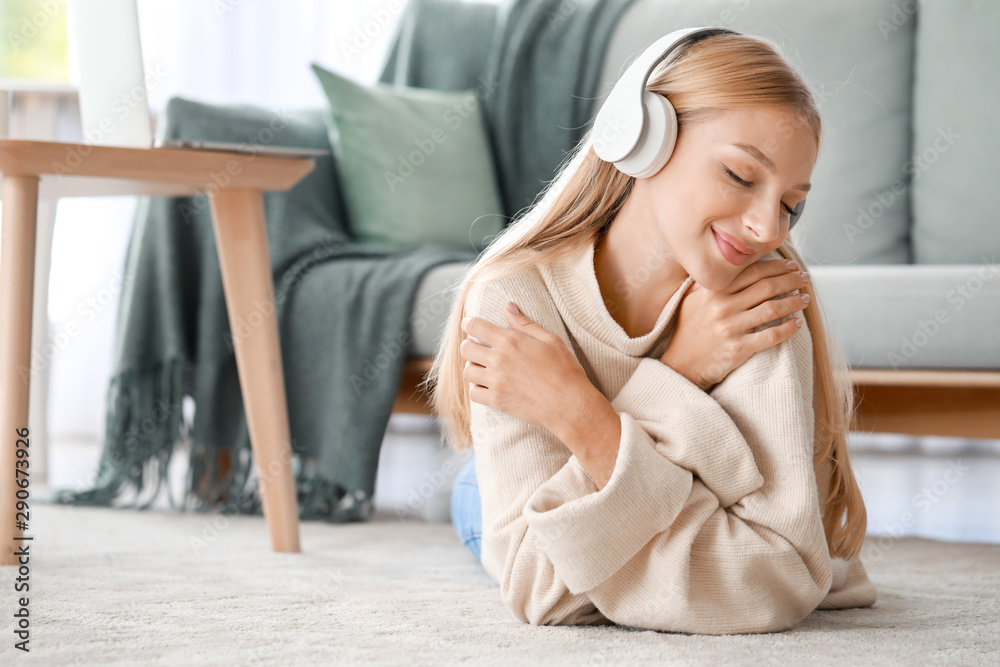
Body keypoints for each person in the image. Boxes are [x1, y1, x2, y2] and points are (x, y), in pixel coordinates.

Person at [428, 30, 877, 635]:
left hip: (564, 477)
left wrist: (582, 415)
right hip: (485, 495)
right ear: (640, 137)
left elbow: (778, 579)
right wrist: (684, 379)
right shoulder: (515, 298)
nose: (767, 226)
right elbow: (540, 591)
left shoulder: (759, 296)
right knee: (478, 497)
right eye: (742, 176)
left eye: (792, 205)